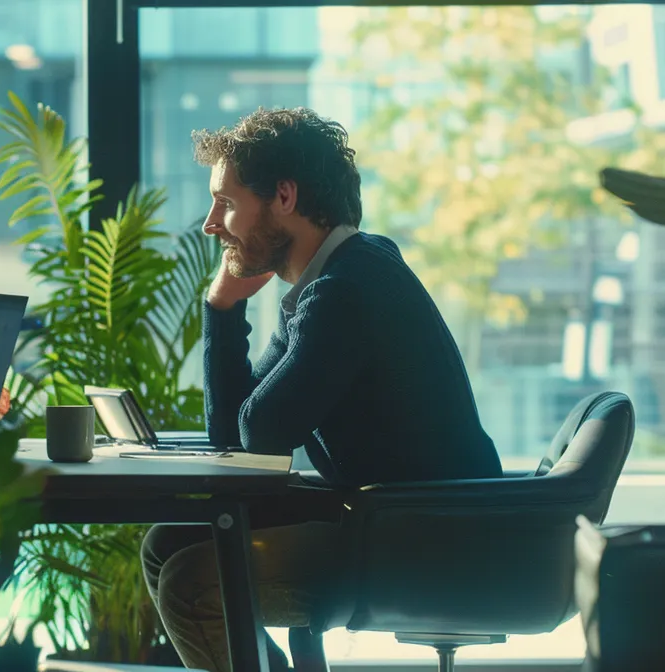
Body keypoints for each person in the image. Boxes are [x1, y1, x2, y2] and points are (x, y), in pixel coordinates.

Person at [142, 108, 503, 672]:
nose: (212, 224)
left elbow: (258, 436)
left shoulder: (345, 291)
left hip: (427, 540)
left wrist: (224, 306)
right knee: (169, 545)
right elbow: (236, 438)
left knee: (193, 581)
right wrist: (222, 305)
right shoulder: (337, 277)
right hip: (393, 521)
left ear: (284, 197)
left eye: (227, 202)